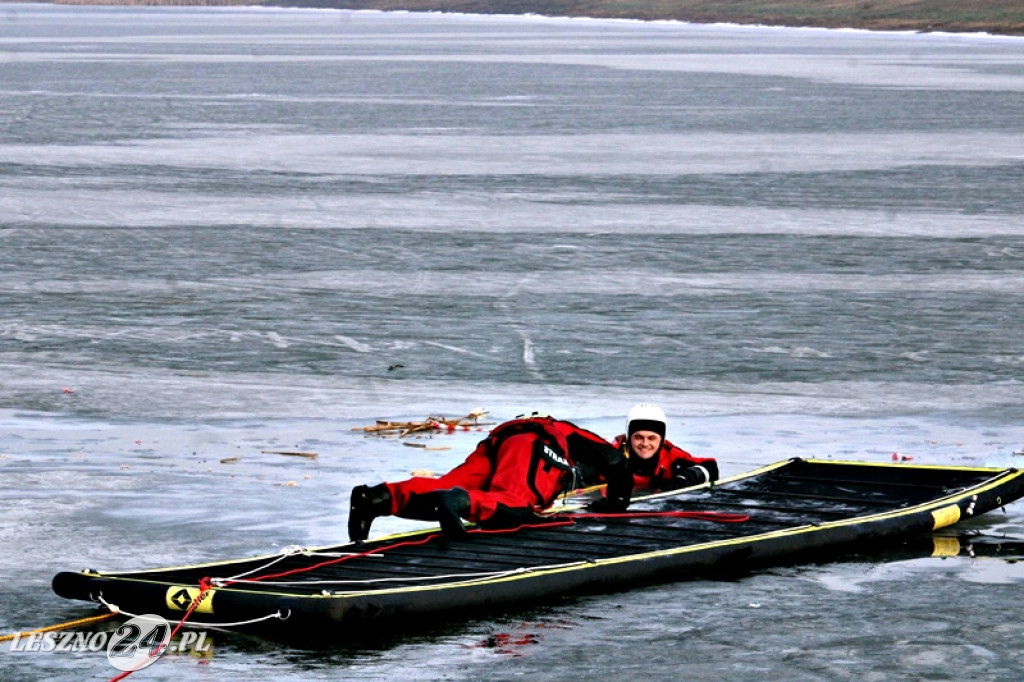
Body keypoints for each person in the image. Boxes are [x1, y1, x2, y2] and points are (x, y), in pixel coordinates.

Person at [348, 413, 633, 542]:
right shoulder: (572, 435)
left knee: (447, 485)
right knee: (518, 503)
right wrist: (619, 501)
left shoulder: (544, 427)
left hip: (499, 440)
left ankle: (375, 499)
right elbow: (615, 460)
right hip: (534, 444)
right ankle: (457, 502)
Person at [612, 403, 718, 491]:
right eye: (639, 437)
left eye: (652, 438)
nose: (645, 443)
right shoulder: (611, 455)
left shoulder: (671, 455)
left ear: (662, 440)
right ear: (629, 437)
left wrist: (686, 478)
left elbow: (710, 467)